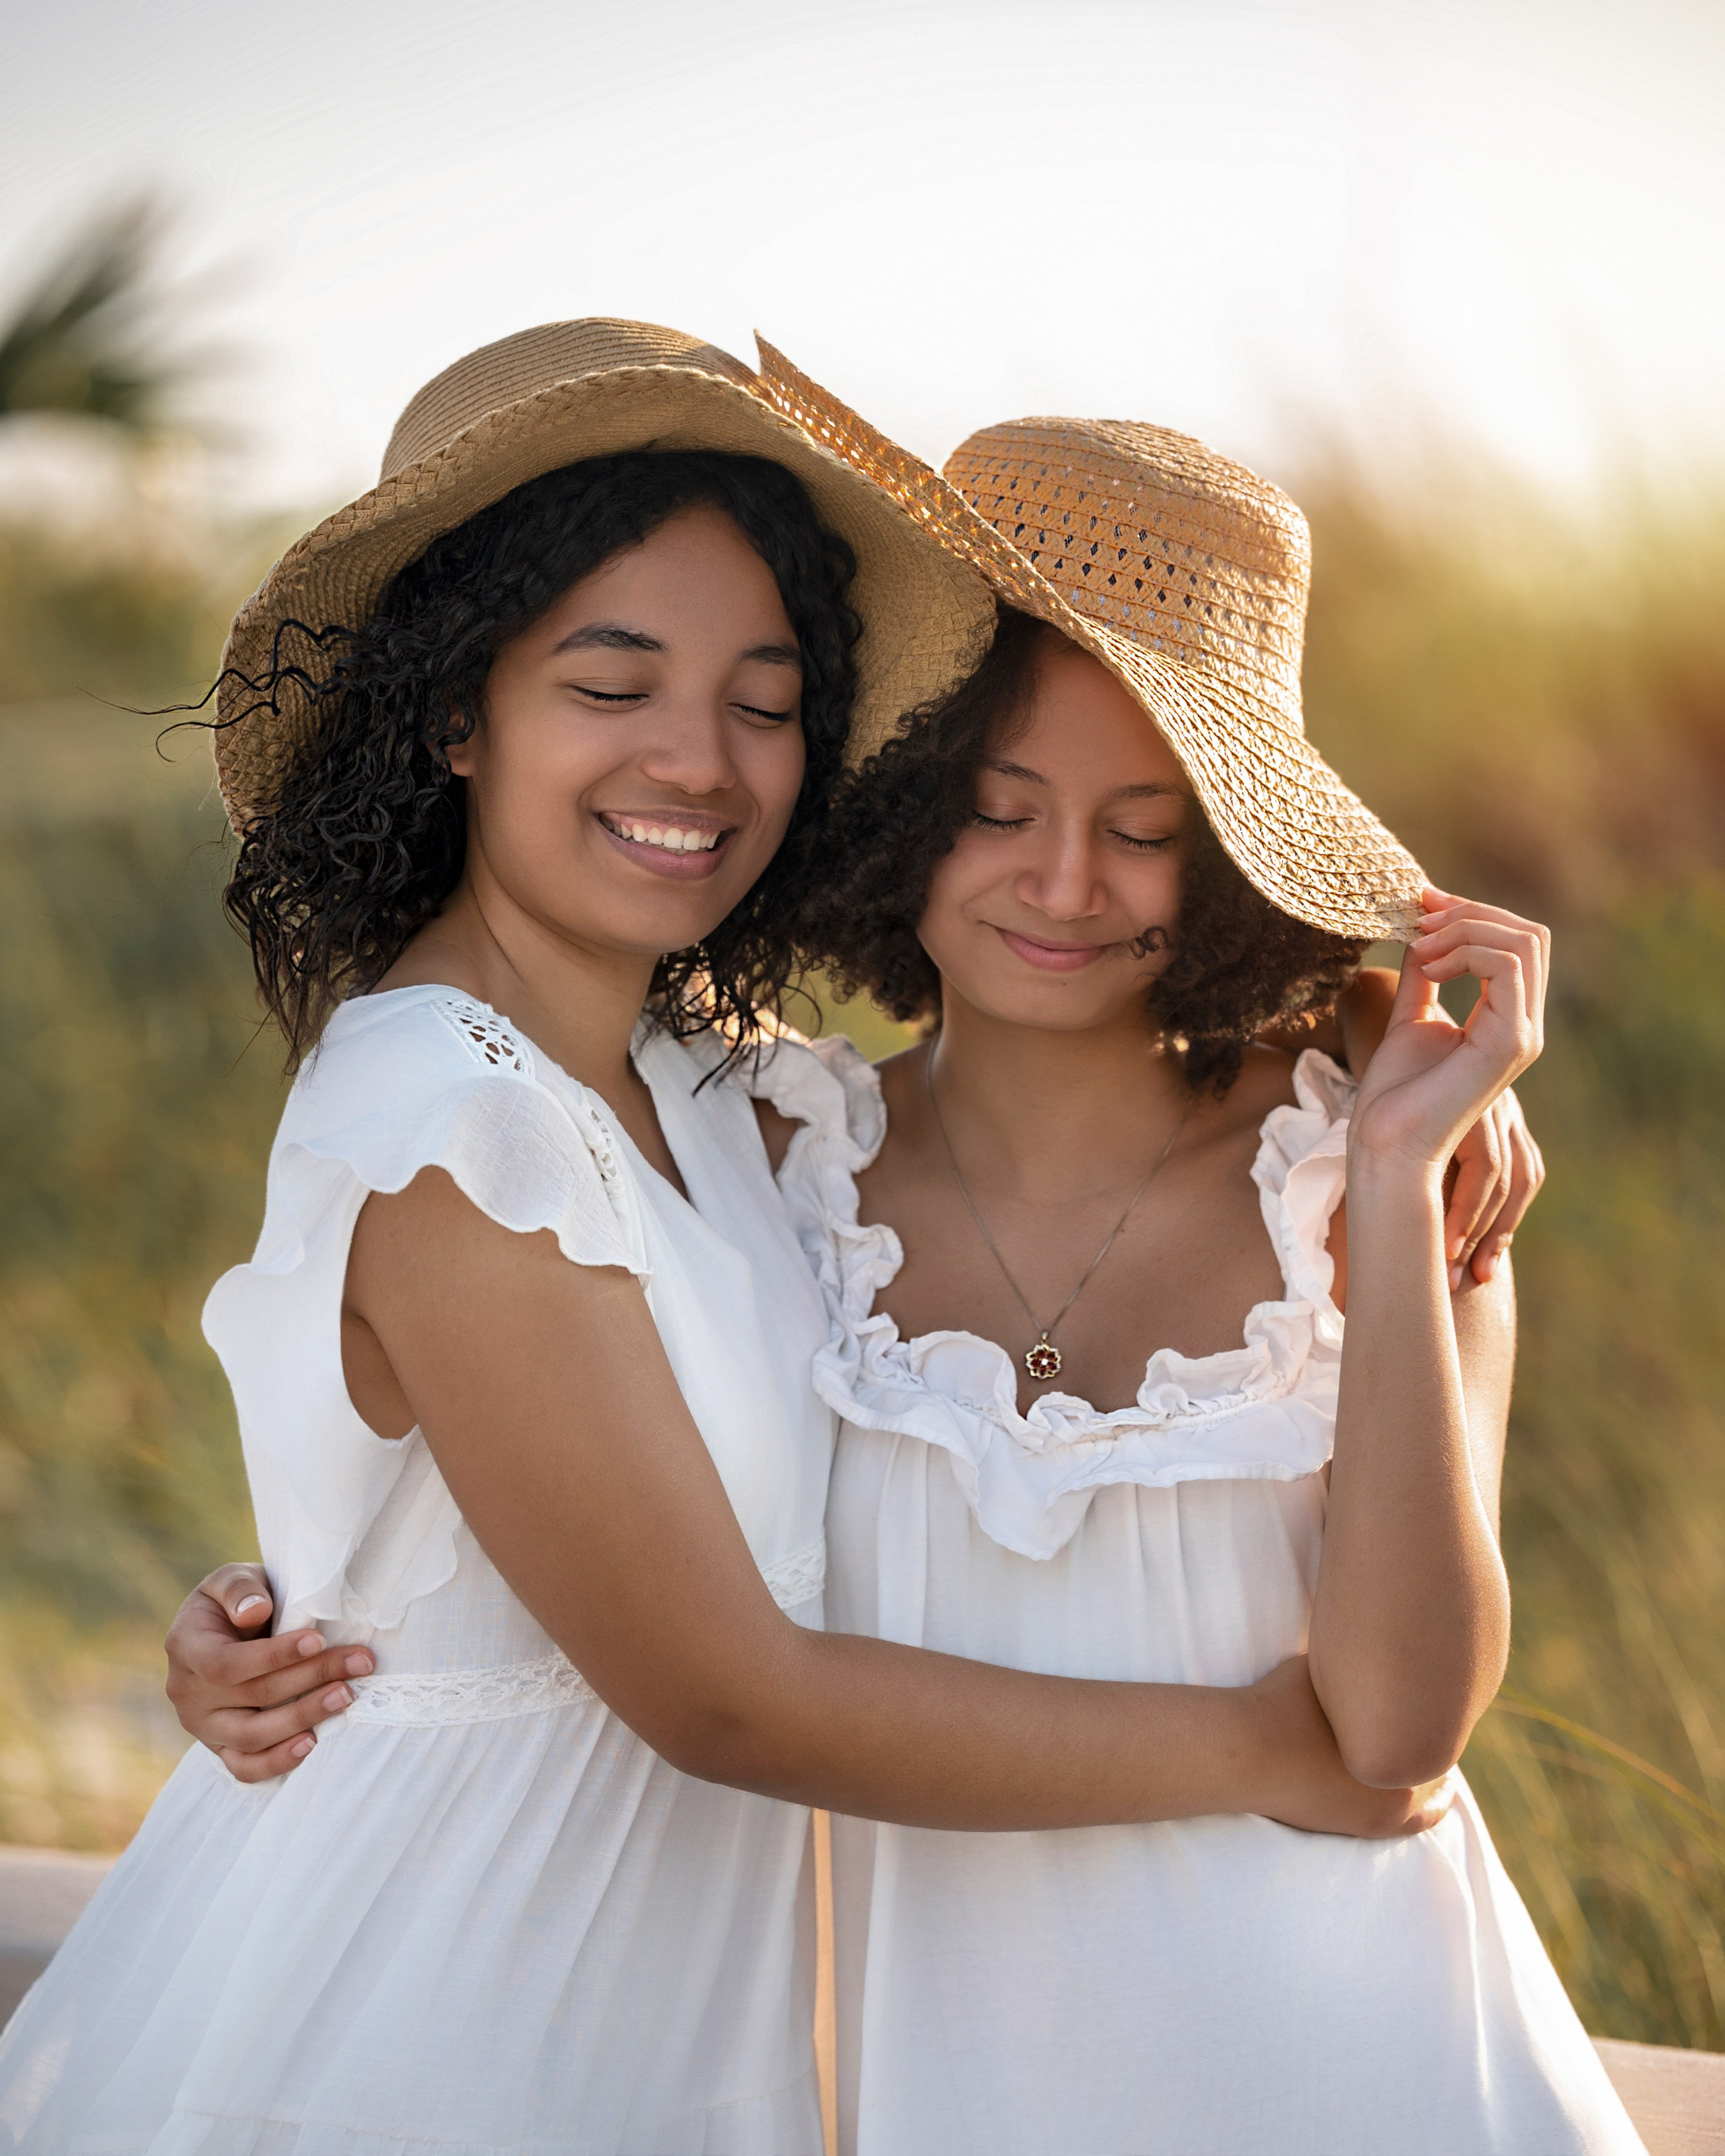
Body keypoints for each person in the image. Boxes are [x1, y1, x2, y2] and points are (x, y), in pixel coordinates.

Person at [0, 323, 1452, 2156]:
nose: (699, 760)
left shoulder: (709, 1086)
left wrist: (1349, 1040)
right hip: (443, 2004)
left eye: (765, 702)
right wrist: (1266, 1748)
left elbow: (560, 1456)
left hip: (660, 2002)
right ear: (459, 709)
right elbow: (720, 1696)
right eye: (613, 684)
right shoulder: (455, 1121)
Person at [740, 370, 1645, 2153]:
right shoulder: (765, 1164)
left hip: (1371, 2077)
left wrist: (1389, 1178)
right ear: (901, 798)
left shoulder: (1388, 1182)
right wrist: (269, 1609)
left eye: (1144, 826)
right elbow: (548, 1449)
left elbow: (1394, 1731)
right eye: (997, 808)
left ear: (1220, 856)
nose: (1064, 883)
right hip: (944, 2087)